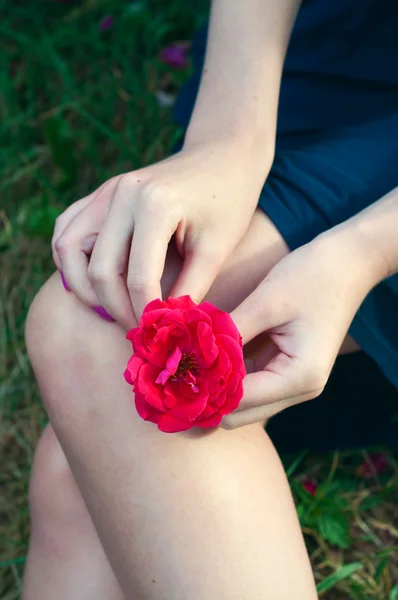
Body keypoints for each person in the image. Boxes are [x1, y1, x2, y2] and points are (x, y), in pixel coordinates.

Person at [23, 0, 398, 598]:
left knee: (92, 348)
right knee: (90, 405)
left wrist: (365, 252)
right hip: (329, 70)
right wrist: (228, 137)